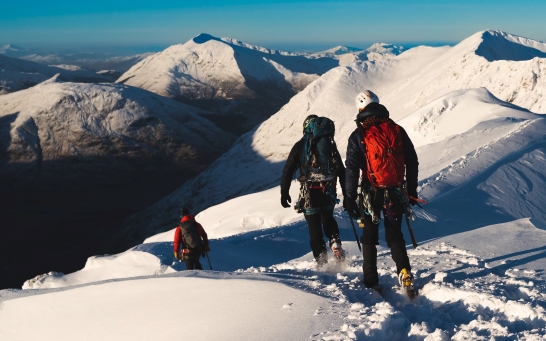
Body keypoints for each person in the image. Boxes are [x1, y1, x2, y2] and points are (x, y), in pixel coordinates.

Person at [344, 90, 419, 294]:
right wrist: (411, 189)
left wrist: (349, 197)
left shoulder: (358, 135)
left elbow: (351, 167)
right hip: (395, 191)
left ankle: (371, 280)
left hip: (370, 193)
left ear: (360, 109)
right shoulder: (396, 129)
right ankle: (404, 272)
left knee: (369, 236)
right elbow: (412, 160)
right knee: (395, 235)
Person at [280, 115, 347, 267]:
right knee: (328, 218)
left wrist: (284, 192)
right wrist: (346, 192)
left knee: (314, 228)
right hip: (328, 190)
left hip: (309, 192)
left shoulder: (300, 146)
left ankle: (322, 263)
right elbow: (341, 170)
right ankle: (335, 241)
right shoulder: (329, 144)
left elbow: (288, 171)